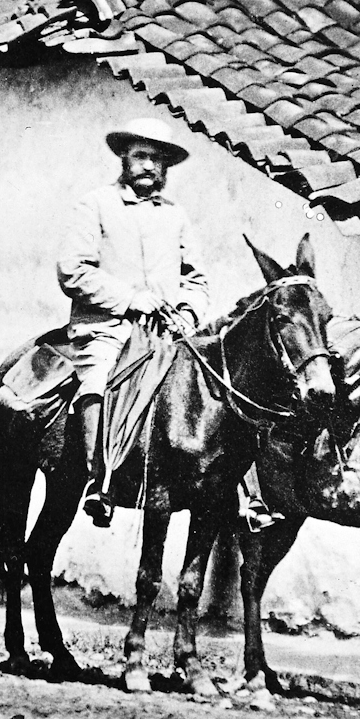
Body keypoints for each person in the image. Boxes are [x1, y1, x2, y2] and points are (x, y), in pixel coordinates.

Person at [57, 117, 209, 527]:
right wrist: (130, 300)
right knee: (100, 378)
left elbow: (196, 278)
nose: (150, 167)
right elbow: (72, 270)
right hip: (107, 327)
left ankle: (243, 496)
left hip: (166, 333)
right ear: (124, 157)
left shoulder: (175, 216)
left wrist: (189, 313)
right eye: (141, 156)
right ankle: (98, 480)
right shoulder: (96, 205)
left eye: (158, 160)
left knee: (214, 385)